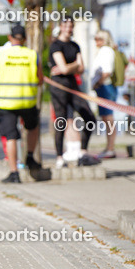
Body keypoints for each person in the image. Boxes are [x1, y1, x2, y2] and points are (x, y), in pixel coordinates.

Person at [0, 24, 41, 183]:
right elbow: (40, 80)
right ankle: (30, 157)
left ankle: (14, 172)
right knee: (32, 128)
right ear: (24, 39)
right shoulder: (33, 55)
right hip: (28, 101)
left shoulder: (0, 54)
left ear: (10, 37)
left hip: (6, 102)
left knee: (11, 136)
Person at [49, 19, 97, 167]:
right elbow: (63, 69)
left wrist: (70, 67)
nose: (69, 29)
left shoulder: (75, 46)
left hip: (73, 85)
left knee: (89, 117)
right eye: (66, 26)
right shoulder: (55, 45)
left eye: (71, 26)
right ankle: (59, 157)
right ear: (61, 27)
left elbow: (80, 68)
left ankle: (83, 152)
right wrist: (74, 65)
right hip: (59, 87)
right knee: (61, 121)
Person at [91, 30, 118, 159]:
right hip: (103, 87)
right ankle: (108, 147)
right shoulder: (102, 51)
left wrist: (97, 83)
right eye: (95, 38)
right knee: (105, 118)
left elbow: (107, 71)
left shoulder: (106, 51)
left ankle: (110, 148)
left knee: (108, 118)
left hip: (106, 87)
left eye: (99, 39)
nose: (96, 41)